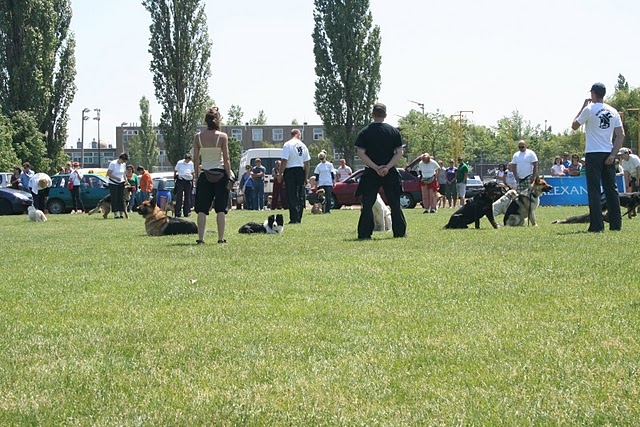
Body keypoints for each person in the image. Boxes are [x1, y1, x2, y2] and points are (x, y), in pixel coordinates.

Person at [571, 82, 624, 232]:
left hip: (593, 153)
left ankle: (597, 225)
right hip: (608, 153)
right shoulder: (613, 111)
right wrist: (613, 154)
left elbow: (574, 126)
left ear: (593, 94)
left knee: (594, 190)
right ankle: (616, 224)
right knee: (611, 189)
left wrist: (582, 107)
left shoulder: (589, 109)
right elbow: (620, 135)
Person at [354, 103, 406, 239]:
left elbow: (361, 153)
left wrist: (375, 167)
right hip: (390, 171)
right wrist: (387, 167)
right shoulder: (394, 132)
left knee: (367, 204)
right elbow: (399, 152)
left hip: (371, 172)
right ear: (385, 115)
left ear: (372, 115)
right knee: (395, 203)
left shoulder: (364, 132)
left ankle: (365, 233)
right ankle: (399, 232)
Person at [193, 106, 233, 244]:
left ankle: (201, 238)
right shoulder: (222, 136)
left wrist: (196, 176)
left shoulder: (198, 137)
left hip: (205, 174)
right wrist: (229, 174)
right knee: (221, 209)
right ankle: (220, 238)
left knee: (202, 209)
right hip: (220, 174)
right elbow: (226, 159)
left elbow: (196, 159)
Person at [280, 128, 310, 224]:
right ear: (298, 135)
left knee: (291, 195)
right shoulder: (303, 146)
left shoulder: (287, 144)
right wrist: (306, 177)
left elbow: (284, 160)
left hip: (290, 171)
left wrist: (280, 173)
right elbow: (307, 163)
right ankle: (299, 217)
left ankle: (294, 218)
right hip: (300, 170)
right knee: (300, 195)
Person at [106, 152, 129, 219]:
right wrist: (116, 178)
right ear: (120, 158)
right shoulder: (113, 164)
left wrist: (126, 181)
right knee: (114, 198)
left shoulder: (123, 164)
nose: (123, 162)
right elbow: (108, 174)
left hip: (121, 183)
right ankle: (116, 214)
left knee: (121, 199)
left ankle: (121, 213)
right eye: (123, 160)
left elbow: (124, 174)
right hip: (113, 183)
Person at [174, 153, 195, 217]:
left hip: (188, 181)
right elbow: (175, 171)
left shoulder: (191, 164)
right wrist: (174, 179)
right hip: (181, 180)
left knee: (187, 197)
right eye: (187, 159)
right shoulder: (180, 163)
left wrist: (193, 181)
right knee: (179, 197)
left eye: (189, 160)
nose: (187, 161)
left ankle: (187, 212)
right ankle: (178, 212)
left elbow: (192, 172)